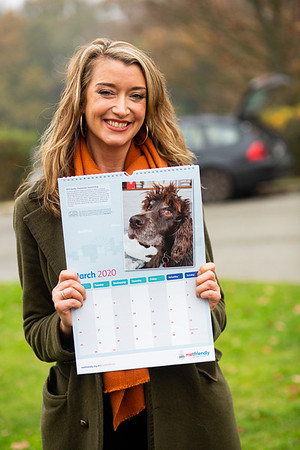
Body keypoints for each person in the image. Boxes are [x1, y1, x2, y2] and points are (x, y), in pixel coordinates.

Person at [14, 38, 241, 450]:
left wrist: (210, 299)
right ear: (79, 100)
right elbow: (36, 330)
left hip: (186, 409)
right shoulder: (38, 206)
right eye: (107, 92)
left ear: (148, 106)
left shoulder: (178, 189)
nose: (122, 108)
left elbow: (216, 318)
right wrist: (65, 323)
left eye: (136, 96)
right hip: (89, 418)